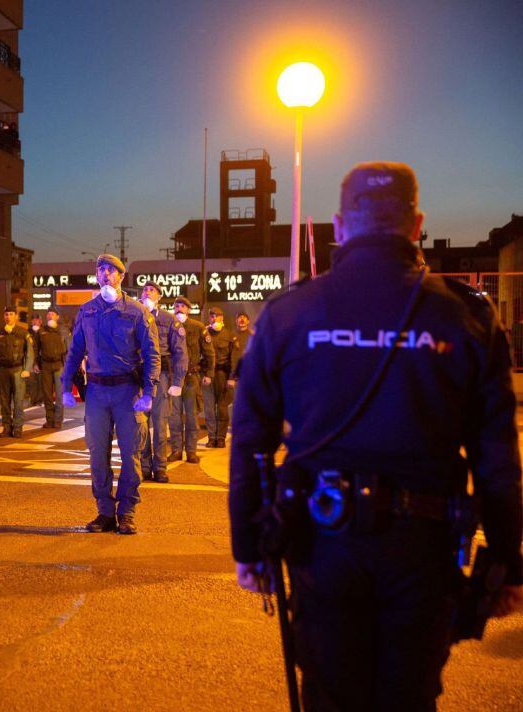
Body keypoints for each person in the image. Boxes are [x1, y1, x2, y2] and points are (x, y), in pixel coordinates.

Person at [230, 162, 523, 710]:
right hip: (424, 545)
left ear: (340, 227)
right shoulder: (465, 315)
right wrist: (508, 560)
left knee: (331, 693)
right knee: (408, 697)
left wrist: (249, 548)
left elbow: (249, 439)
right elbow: (497, 459)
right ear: (417, 225)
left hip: (321, 539)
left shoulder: (289, 312)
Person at [61, 254, 159, 535]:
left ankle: (126, 512)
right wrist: (67, 385)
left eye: (110, 271)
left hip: (128, 392)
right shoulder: (87, 311)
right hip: (97, 392)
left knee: (131, 454)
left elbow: (152, 354)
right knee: (97, 454)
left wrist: (149, 391)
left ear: (121, 277)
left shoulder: (138, 312)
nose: (105, 275)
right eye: (100, 270)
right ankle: (104, 511)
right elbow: (75, 351)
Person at [139, 283, 187, 481]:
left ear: (159, 297)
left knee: (159, 424)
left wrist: (178, 381)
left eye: (152, 291)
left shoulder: (169, 319)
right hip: (138, 377)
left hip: (161, 376)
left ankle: (159, 467)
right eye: (145, 290)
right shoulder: (132, 315)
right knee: (140, 424)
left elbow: (180, 352)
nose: (147, 292)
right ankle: (143, 466)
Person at [167, 296, 213, 464]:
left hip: (192, 377)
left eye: (183, 306)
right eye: (176, 306)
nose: (179, 309)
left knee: (192, 416)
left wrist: (209, 373)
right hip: (173, 378)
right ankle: (176, 450)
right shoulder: (168, 326)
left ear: (189, 309)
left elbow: (209, 352)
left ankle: (191, 451)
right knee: (174, 416)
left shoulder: (198, 327)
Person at [0, 305, 34, 437]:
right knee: (4, 401)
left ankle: (18, 428)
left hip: (18, 370)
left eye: (11, 314)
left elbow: (30, 353)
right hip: (3, 370)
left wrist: (27, 369)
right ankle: (6, 427)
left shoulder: (23, 333)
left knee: (19, 401)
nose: (8, 317)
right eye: (6, 314)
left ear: (16, 316)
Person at [203, 306, 239, 448]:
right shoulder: (204, 334)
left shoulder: (230, 336)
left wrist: (232, 377)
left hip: (223, 375)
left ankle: (221, 437)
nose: (214, 319)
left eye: (217, 316)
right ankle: (212, 437)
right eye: (212, 316)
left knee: (222, 408)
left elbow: (234, 359)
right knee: (209, 408)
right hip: (207, 375)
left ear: (222, 318)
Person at [36, 307, 70, 428]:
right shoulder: (41, 331)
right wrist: (36, 364)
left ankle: (58, 420)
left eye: (52, 314)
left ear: (57, 317)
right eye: (48, 314)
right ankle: (49, 420)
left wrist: (68, 366)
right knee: (47, 395)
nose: (50, 316)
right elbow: (36, 349)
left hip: (59, 365)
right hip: (45, 365)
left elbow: (69, 349)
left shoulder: (63, 331)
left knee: (59, 395)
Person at [27, 314, 44, 406]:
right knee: (31, 382)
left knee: (41, 381)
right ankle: (33, 400)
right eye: (33, 320)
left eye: (37, 320)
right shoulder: (27, 333)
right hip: (30, 361)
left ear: (40, 321)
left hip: (42, 361)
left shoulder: (44, 332)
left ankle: (40, 400)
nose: (34, 321)